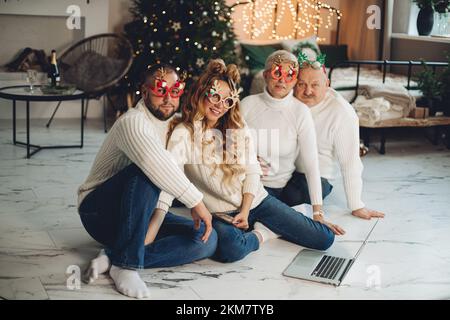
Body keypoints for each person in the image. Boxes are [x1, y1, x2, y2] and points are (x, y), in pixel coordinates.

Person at [155, 59, 337, 263]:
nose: (220, 106)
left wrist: (245, 209)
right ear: (200, 93)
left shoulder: (236, 126)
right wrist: (159, 220)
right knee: (230, 250)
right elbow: (171, 181)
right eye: (215, 96)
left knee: (325, 238)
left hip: (256, 200)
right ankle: (260, 235)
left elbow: (252, 170)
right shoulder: (183, 134)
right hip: (221, 213)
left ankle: (265, 231)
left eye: (227, 100)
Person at [77, 64, 217, 299]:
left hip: (141, 211)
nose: (168, 99)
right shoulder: (132, 121)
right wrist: (197, 202)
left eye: (175, 91)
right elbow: (154, 163)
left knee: (206, 239)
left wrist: (246, 157)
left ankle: (114, 256)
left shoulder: (176, 125)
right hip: (99, 212)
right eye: (160, 90)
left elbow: (191, 157)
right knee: (148, 169)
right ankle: (126, 266)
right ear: (145, 90)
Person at [240, 50, 345, 235]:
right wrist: (245, 159)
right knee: (234, 234)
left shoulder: (300, 112)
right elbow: (226, 148)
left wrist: (318, 213)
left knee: (323, 237)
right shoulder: (247, 105)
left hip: (276, 192)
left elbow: (312, 165)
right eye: (276, 73)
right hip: (243, 188)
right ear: (265, 75)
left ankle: (263, 230)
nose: (282, 80)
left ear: (295, 79)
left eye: (290, 75)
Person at [293, 53, 385, 220]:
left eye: (315, 85)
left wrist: (356, 204)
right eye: (301, 84)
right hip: (285, 170)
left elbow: (350, 160)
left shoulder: (341, 112)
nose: (308, 91)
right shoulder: (288, 101)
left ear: (327, 84)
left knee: (294, 199)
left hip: (315, 178)